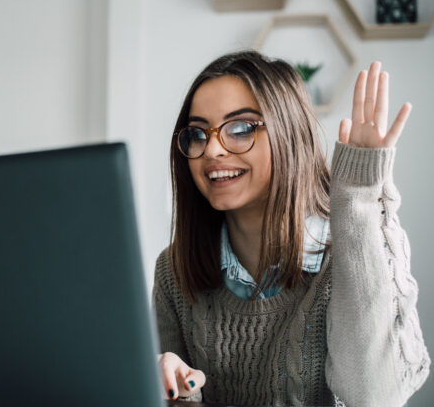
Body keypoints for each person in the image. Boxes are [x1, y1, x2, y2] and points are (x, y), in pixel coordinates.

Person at [152, 51, 430, 406]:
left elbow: (373, 396)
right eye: (197, 134)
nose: (213, 150)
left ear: (289, 134)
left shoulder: (355, 252)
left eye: (240, 128)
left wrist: (358, 200)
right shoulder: (174, 271)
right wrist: (170, 384)